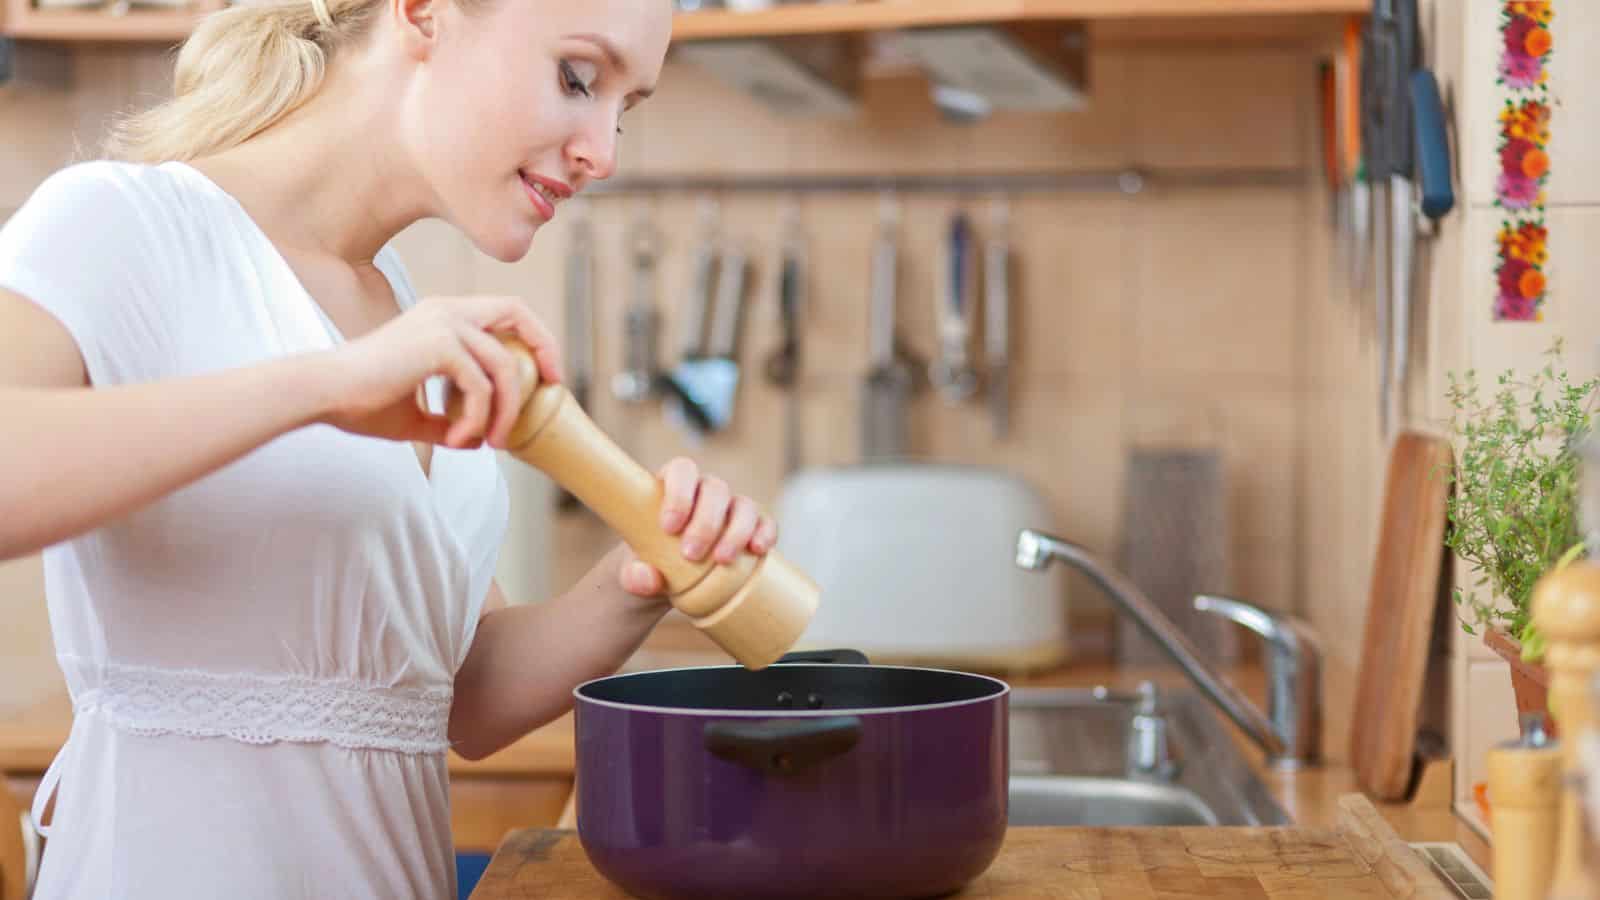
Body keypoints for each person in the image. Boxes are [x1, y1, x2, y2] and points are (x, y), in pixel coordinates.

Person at [0, 0, 779, 896]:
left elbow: (457, 695)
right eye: (577, 78)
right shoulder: (122, 223)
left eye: (624, 108)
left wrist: (641, 577)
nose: (601, 151)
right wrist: (327, 385)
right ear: (424, 13)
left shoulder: (393, 303)